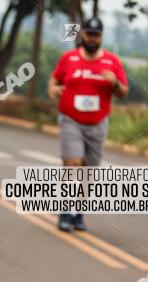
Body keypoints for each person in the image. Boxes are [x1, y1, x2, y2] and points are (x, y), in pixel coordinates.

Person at [48, 16, 128, 232]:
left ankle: (78, 213)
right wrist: (53, 90)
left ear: (101, 37)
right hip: (70, 120)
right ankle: (65, 212)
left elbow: (123, 92)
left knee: (88, 172)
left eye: (96, 34)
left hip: (97, 123)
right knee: (73, 164)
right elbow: (54, 81)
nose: (92, 38)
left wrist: (115, 83)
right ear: (82, 34)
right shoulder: (69, 58)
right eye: (89, 33)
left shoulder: (112, 62)